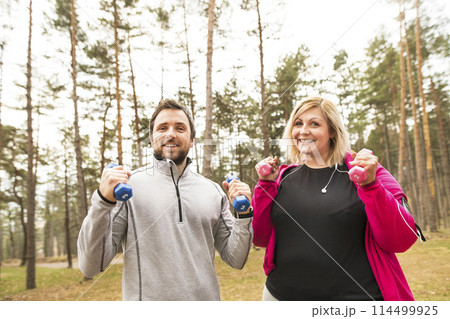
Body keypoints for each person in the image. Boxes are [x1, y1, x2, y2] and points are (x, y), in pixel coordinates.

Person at [77, 98, 254, 301]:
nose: (171, 133)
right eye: (163, 128)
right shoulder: (128, 186)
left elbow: (236, 259)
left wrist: (244, 214)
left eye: (180, 128)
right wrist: (102, 201)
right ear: (152, 138)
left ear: (192, 139)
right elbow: (90, 265)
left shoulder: (213, 191)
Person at [252, 96, 424, 301]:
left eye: (314, 123)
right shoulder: (281, 178)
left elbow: (400, 240)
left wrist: (370, 185)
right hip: (280, 298)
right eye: (298, 123)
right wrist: (265, 185)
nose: (303, 130)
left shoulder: (366, 172)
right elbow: (260, 237)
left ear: (332, 131)